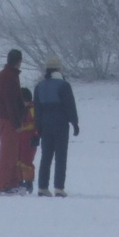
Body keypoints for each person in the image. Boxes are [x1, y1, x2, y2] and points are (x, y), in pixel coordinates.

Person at [33, 55, 80, 196]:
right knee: (61, 156)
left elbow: (37, 109)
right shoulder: (63, 85)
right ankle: (59, 187)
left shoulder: (39, 86)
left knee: (46, 156)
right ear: (59, 69)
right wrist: (75, 122)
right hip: (60, 122)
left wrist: (38, 127)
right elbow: (69, 105)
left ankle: (42, 187)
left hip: (45, 123)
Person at [0, 49, 25, 194]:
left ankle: (12, 183)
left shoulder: (1, 76)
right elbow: (10, 102)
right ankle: (2, 185)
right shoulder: (10, 77)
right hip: (9, 120)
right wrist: (18, 123)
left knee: (11, 153)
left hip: (1, 118)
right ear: (19, 61)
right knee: (7, 154)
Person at [15, 86, 39, 192]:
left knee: (27, 161)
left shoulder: (33, 109)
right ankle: (19, 181)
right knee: (17, 160)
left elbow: (38, 123)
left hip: (29, 139)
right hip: (18, 139)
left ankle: (28, 182)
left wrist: (36, 136)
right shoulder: (18, 109)